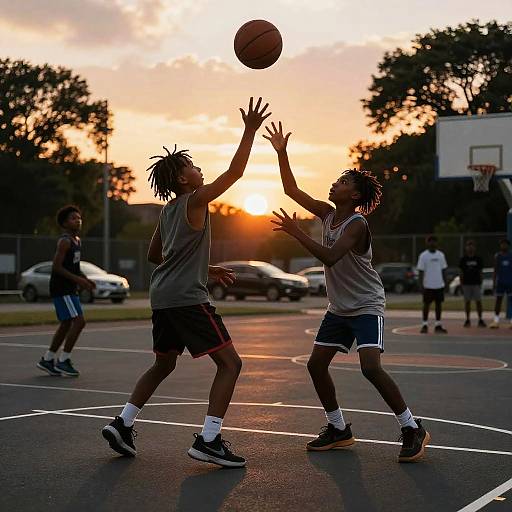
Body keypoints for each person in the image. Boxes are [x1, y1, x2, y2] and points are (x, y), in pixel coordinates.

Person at [101, 97, 270, 468]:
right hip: (185, 298)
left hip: (162, 296)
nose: (199, 170)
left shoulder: (168, 210)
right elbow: (235, 174)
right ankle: (209, 439)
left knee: (163, 364)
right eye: (193, 166)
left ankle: (123, 423)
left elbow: (155, 256)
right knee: (231, 364)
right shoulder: (195, 201)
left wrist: (203, 269)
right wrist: (249, 130)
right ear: (183, 178)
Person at [264, 121, 430, 463]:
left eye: (341, 182)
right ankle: (338, 428)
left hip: (367, 304)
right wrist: (282, 152)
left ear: (354, 195)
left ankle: (412, 427)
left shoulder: (356, 224)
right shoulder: (326, 213)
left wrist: (296, 232)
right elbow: (292, 190)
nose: (334, 183)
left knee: (370, 367)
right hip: (339, 307)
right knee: (315, 365)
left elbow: (329, 256)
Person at [37, 205, 95, 377]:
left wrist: (85, 278)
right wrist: (78, 280)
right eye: (73, 218)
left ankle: (47, 359)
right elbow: (57, 267)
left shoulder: (77, 240)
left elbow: (74, 267)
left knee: (67, 323)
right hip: (61, 288)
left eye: (79, 217)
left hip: (70, 287)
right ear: (64, 223)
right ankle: (63, 360)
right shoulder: (65, 241)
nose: (78, 220)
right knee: (78, 321)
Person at [417, 236, 448, 334]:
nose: (432, 243)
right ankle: (424, 325)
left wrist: (445, 283)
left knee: (438, 305)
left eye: (434, 241)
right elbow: (421, 271)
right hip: (428, 285)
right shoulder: (423, 256)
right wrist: (421, 285)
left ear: (437, 243)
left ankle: (438, 325)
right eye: (430, 241)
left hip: (439, 285)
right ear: (427, 243)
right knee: (426, 305)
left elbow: (444, 270)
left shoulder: (441, 255)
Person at [459, 240, 486, 328]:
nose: (470, 247)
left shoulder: (478, 259)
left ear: (474, 247)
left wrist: (481, 282)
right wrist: (461, 283)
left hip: (476, 283)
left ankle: (480, 319)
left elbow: (480, 271)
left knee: (478, 301)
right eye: (468, 245)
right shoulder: (463, 259)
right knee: (467, 302)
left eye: (472, 245)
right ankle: (467, 319)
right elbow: (461, 272)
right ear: (466, 248)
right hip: (466, 284)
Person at [489, 239, 512, 329]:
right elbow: (495, 270)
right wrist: (494, 282)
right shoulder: (498, 256)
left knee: (511, 301)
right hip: (501, 282)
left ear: (508, 246)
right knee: (498, 301)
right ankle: (496, 320)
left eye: (505, 244)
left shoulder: (511, 256)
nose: (503, 246)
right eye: (502, 244)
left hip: (510, 282)